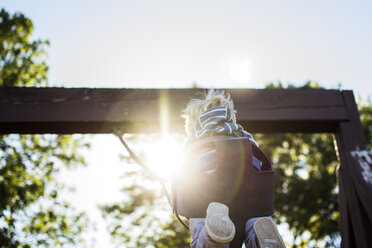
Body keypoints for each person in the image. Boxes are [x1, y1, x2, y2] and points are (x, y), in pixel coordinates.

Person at [181, 90, 286, 248]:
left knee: (201, 229)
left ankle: (212, 234)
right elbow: (257, 157)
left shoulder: (197, 136)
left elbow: (183, 167)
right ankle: (260, 237)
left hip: (205, 190)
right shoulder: (242, 135)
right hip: (250, 187)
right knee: (253, 223)